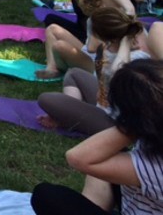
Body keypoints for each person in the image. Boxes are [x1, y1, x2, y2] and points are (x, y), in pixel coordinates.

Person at [32, 59, 163, 214]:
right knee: (105, 153)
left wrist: (133, 124)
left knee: (47, 196)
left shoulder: (154, 165)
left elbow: (77, 158)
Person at [36, 7, 150, 135]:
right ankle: (66, 115)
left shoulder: (137, 58)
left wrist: (125, 43)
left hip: (117, 123)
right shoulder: (105, 50)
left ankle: (65, 117)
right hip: (105, 105)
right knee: (74, 72)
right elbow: (101, 84)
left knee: (45, 99)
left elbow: (117, 73)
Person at [35, 0, 105, 79]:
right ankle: (51, 68)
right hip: (89, 53)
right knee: (52, 29)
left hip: (98, 62)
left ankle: (63, 65)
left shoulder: (102, 20)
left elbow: (92, 48)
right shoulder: (92, 20)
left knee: (59, 46)